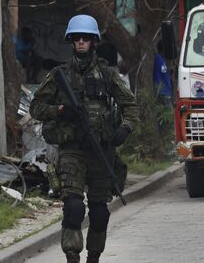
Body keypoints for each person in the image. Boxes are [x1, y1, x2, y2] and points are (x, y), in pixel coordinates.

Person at [29, 14, 139, 263]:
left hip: (102, 151)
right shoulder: (60, 74)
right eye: (76, 38)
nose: (80, 42)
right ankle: (72, 256)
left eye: (85, 38)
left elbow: (130, 106)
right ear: (71, 41)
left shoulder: (107, 75)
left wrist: (125, 128)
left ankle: (93, 257)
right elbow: (36, 107)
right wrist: (60, 110)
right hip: (73, 151)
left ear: (93, 41)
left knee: (99, 212)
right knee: (74, 208)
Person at [153, 40, 173, 106]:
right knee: (169, 114)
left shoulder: (163, 60)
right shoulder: (158, 58)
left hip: (167, 92)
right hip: (162, 92)